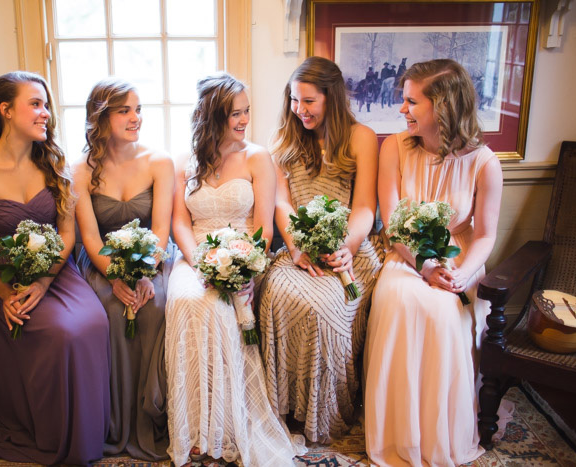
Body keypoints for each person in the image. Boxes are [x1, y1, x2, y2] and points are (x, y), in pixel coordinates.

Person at [0, 71, 110, 465]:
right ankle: (52, 430)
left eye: (46, 105)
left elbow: (68, 233)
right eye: (35, 104)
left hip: (56, 274)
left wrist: (43, 281)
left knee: (94, 322)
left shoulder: (53, 165)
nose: (45, 113)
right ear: (6, 111)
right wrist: (6, 294)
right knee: (62, 333)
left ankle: (89, 430)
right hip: (5, 283)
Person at [364, 59, 504, 466]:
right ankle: (398, 436)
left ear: (441, 107)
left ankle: (438, 437)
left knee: (443, 313)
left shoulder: (484, 163)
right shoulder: (393, 147)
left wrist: (460, 273)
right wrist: (423, 265)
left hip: (458, 256)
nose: (402, 110)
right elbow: (392, 221)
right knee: (399, 303)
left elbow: (485, 235)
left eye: (412, 102)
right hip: (405, 253)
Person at [165, 72, 306, 466]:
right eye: (234, 114)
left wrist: (244, 268)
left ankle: (226, 425)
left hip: (245, 256)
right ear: (212, 117)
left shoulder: (258, 157)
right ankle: (194, 426)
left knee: (220, 308)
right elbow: (180, 224)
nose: (244, 120)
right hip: (194, 258)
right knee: (188, 302)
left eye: (246, 111)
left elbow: (263, 228)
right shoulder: (184, 162)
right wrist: (201, 265)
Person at [258, 56, 384, 443]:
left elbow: (365, 206)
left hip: (352, 248)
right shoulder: (282, 140)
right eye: (295, 100)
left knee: (326, 306)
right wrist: (296, 249)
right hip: (298, 249)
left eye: (309, 101)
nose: (300, 110)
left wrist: (345, 247)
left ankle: (326, 413)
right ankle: (286, 407)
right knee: (280, 295)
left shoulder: (361, 137)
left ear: (332, 97)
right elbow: (282, 205)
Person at [74, 78, 174, 461]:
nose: (136, 118)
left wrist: (146, 272)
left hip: (153, 259)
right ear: (101, 118)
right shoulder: (81, 170)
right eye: (125, 111)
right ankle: (114, 421)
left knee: (156, 306)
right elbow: (89, 238)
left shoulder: (158, 161)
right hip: (103, 263)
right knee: (110, 310)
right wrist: (116, 277)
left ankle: (152, 417)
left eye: (138, 109)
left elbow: (162, 230)